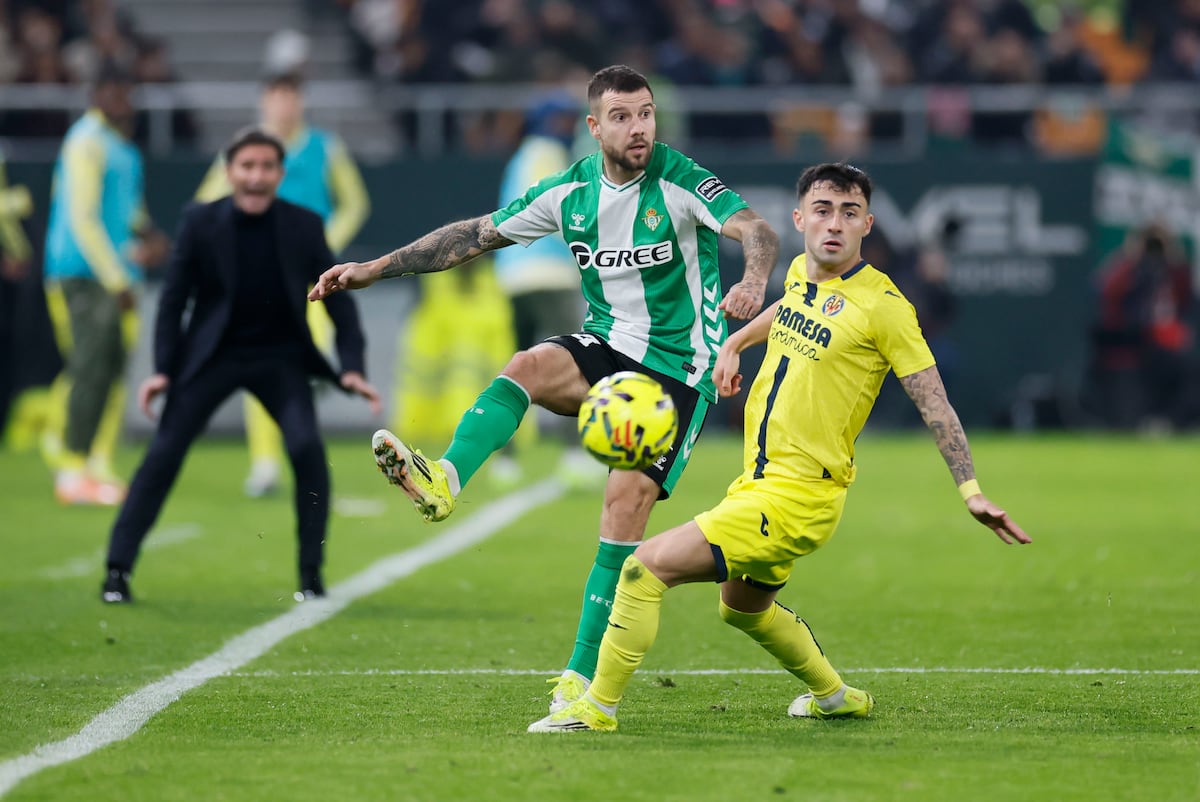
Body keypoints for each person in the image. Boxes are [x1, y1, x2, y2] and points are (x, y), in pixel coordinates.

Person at [308, 65, 781, 719]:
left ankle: (580, 681)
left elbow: (756, 229)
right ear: (593, 128)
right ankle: (445, 480)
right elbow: (469, 238)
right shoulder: (567, 192)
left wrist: (754, 280)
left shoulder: (679, 179)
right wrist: (370, 270)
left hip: (680, 370)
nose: (639, 127)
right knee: (528, 363)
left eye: (645, 113)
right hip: (609, 348)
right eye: (622, 116)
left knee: (621, 511)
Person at [527, 162, 1032, 733]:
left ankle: (596, 709)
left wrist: (971, 490)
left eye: (848, 212)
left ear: (868, 224)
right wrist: (736, 342)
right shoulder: (799, 273)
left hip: (797, 495)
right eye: (822, 210)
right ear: (800, 220)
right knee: (743, 608)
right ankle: (836, 697)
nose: (834, 223)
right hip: (762, 484)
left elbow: (935, 403)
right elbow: (790, 304)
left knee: (643, 570)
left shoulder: (885, 307)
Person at [100, 127, 381, 604]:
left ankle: (311, 578)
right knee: (163, 454)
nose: (255, 176)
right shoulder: (199, 222)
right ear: (229, 173)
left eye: (266, 167)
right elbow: (173, 301)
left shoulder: (304, 224)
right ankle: (117, 572)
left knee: (309, 452)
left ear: (279, 174)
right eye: (246, 166)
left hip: (280, 358)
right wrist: (164, 369)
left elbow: (340, 299)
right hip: (211, 357)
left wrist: (351, 366)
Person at [195, 72, 371, 497]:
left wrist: (327, 244)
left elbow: (356, 204)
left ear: (301, 103)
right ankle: (266, 463)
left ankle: (316, 375)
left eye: (290, 98)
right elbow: (207, 203)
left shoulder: (326, 148)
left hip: (313, 276)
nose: (283, 107)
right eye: (275, 99)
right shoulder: (244, 151)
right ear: (263, 104)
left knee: (314, 348)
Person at [42, 63, 169, 506]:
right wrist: (116, 277)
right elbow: (82, 217)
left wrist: (150, 236)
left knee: (112, 369)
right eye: (112, 92)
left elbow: (130, 214)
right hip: (81, 273)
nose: (121, 100)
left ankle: (95, 464)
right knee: (89, 365)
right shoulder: (85, 142)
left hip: (116, 276)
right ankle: (70, 468)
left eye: (126, 91)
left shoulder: (123, 149)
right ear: (95, 95)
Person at [487, 89, 595, 485]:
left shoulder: (519, 158)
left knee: (520, 367)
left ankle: (504, 456)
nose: (569, 128)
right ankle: (575, 452)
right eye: (564, 121)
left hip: (512, 275)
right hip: (548, 273)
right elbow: (561, 212)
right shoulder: (547, 154)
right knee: (576, 363)